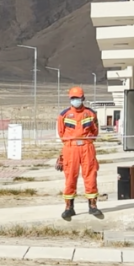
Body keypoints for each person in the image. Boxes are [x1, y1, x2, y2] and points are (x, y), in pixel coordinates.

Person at [57, 86, 101, 220]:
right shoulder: (63, 114)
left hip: (87, 147)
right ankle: (69, 208)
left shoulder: (91, 113)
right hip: (70, 148)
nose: (75, 100)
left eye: (78, 98)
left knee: (90, 175)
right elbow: (61, 133)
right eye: (73, 98)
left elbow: (95, 131)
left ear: (83, 98)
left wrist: (87, 140)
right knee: (70, 176)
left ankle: (92, 206)